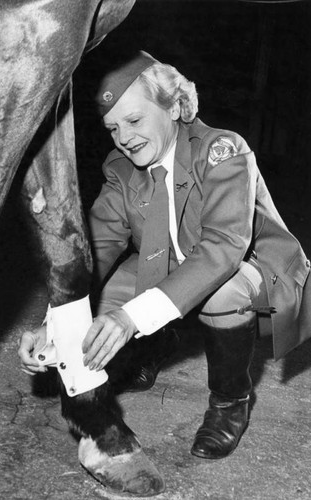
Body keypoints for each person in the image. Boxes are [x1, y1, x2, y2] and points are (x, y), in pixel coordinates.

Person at [19, 51, 311, 460]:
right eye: (113, 128)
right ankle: (155, 345)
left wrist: (131, 318)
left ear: (174, 106)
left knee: (221, 296)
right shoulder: (120, 169)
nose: (123, 137)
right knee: (99, 304)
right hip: (170, 261)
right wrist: (54, 324)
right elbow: (95, 251)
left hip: (252, 268)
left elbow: (222, 251)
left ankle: (231, 402)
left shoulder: (224, 151)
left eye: (135, 121)